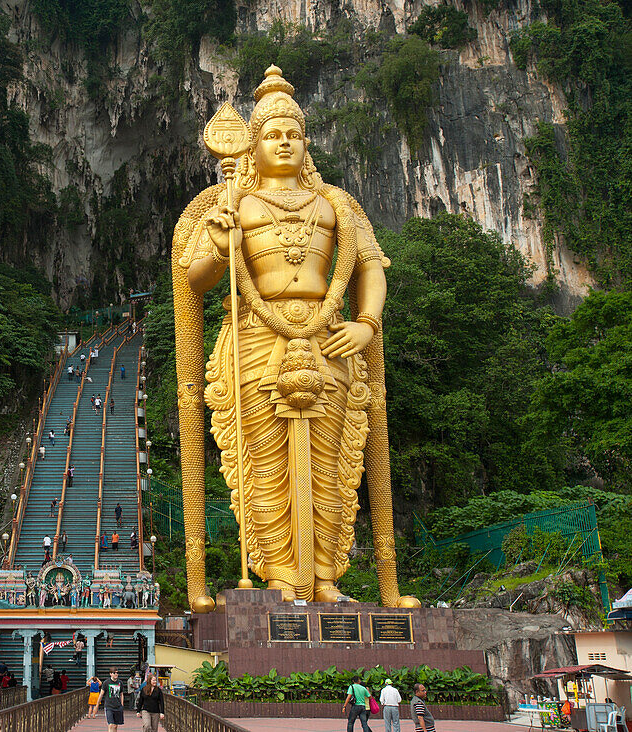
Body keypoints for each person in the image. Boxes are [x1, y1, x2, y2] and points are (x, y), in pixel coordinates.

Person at [172, 65, 420, 609]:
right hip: (257, 338)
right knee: (265, 462)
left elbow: (371, 268)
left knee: (332, 463)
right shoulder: (233, 205)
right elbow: (195, 279)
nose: (282, 142)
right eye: (271, 134)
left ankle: (327, 577)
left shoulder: (337, 204)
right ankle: (281, 576)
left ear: (306, 143)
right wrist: (218, 240)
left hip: (329, 335)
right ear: (253, 145)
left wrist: (366, 323)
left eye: (292, 134)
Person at [97, 668, 125, 732]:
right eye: (114, 673)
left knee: (115, 725)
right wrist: (97, 705)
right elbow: (101, 694)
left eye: (117, 673)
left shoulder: (120, 682)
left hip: (118, 706)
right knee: (111, 725)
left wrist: (122, 704)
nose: (116, 674)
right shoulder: (106, 682)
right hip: (109, 706)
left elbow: (121, 694)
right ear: (110, 674)